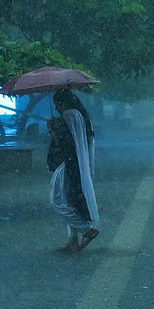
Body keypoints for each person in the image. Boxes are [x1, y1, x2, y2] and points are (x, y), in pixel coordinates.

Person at [47, 88, 100, 251]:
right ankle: (73, 238)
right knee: (70, 200)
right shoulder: (80, 115)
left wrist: (54, 131)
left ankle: (87, 230)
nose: (56, 108)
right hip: (76, 162)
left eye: (57, 104)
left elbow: (66, 143)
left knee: (57, 200)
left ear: (62, 102)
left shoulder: (69, 115)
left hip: (69, 163)